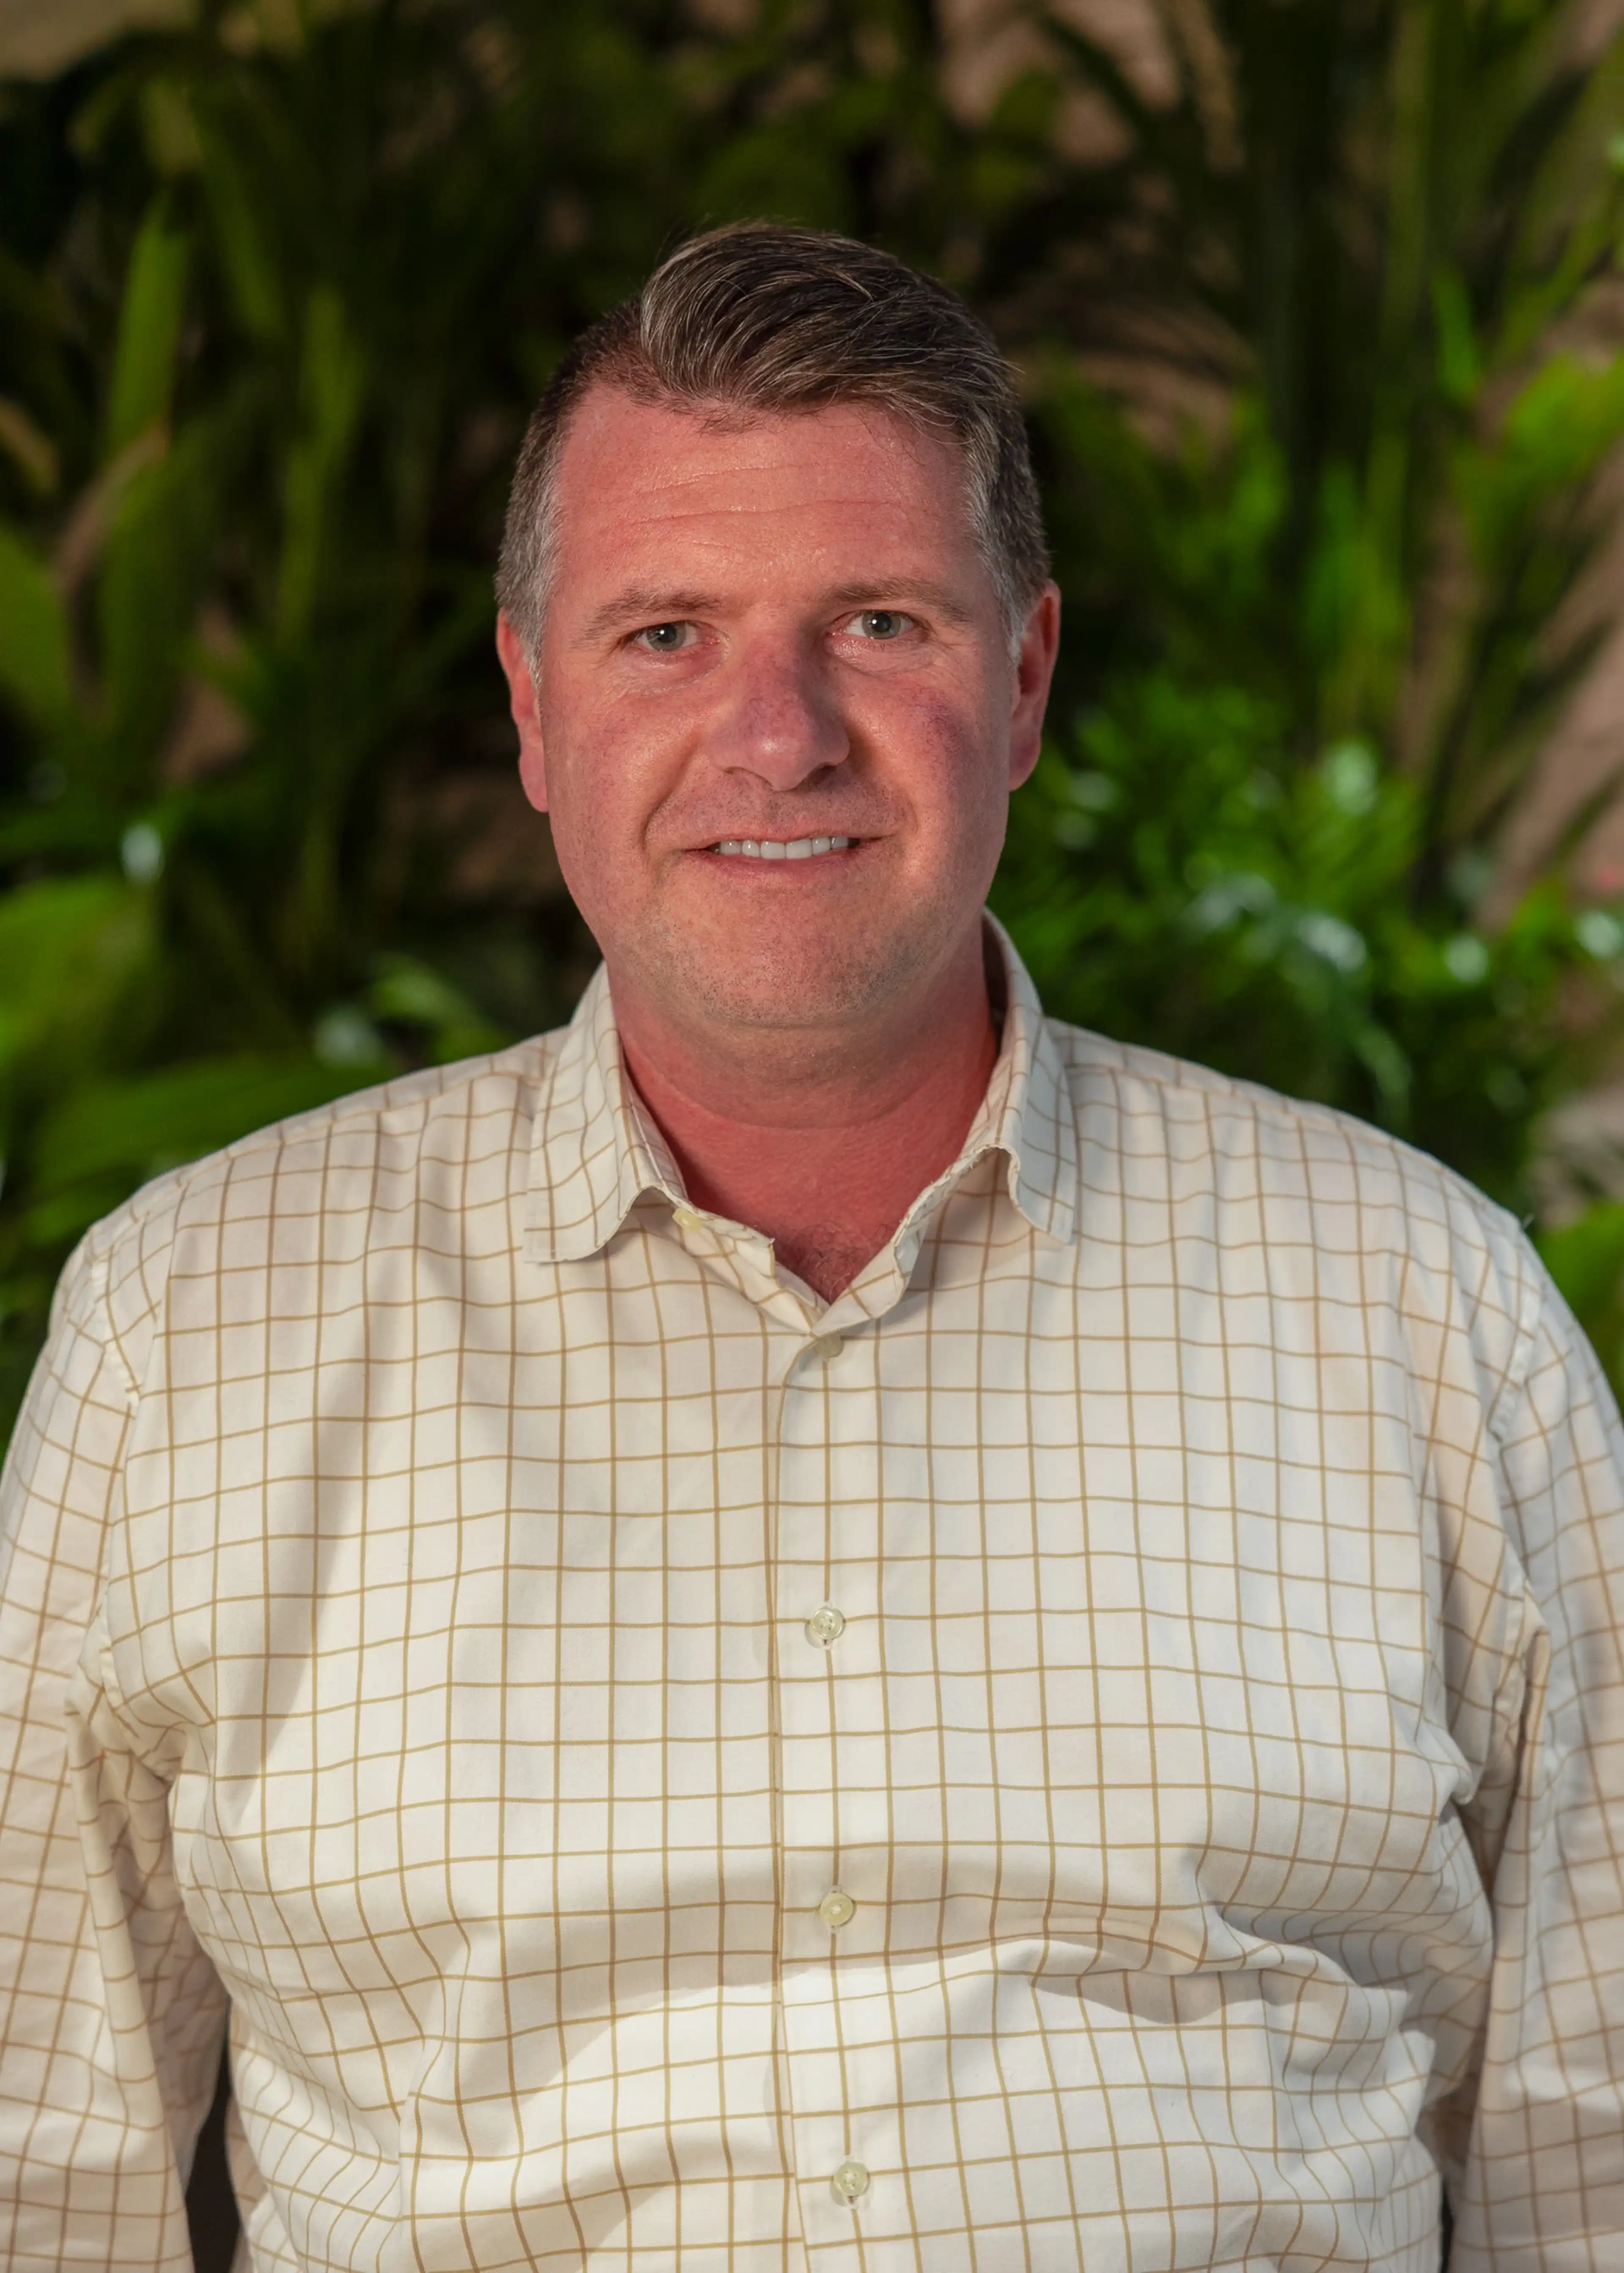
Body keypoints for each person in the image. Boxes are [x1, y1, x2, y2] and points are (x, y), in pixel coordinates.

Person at [1, 223, 1619, 2273]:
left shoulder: (1426, 1311)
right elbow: (43, 2161)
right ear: (530, 706)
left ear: (1021, 680)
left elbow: (1600, 2137)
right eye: (665, 632)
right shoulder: (189, 1330)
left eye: (876, 623)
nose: (780, 735)